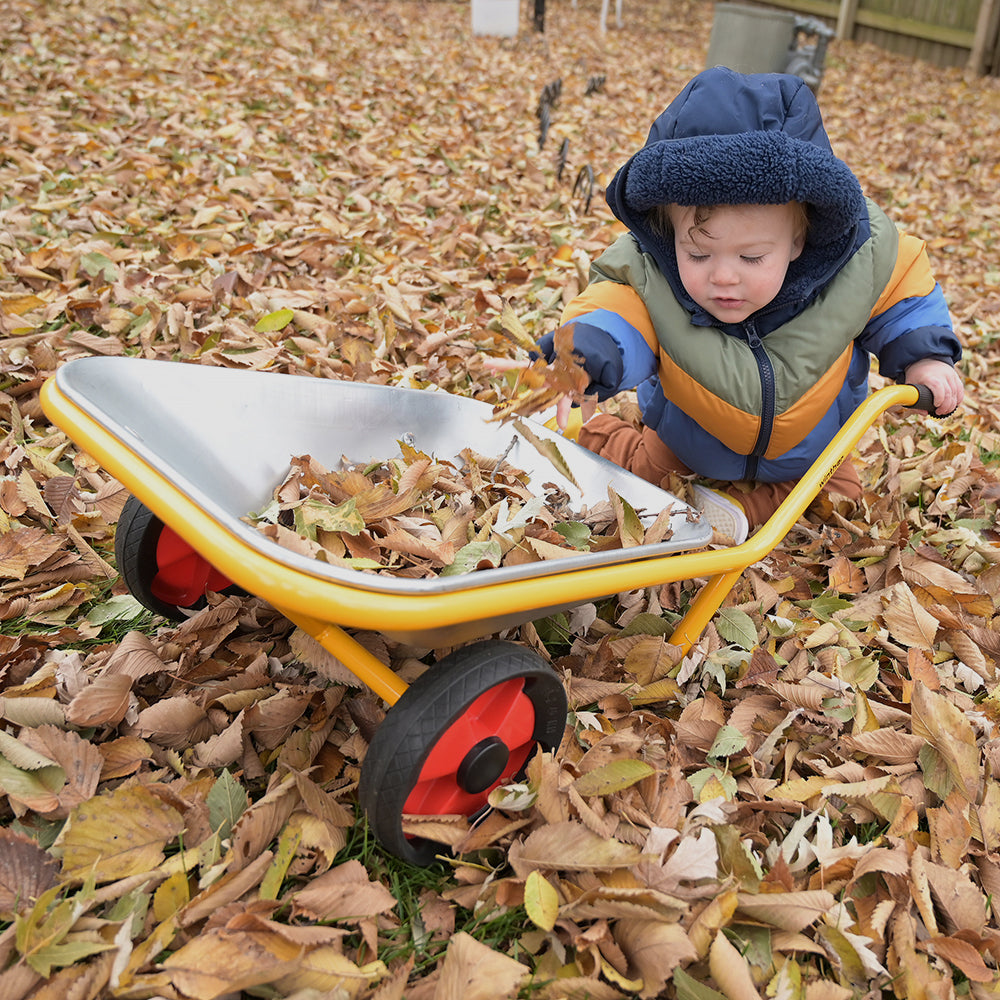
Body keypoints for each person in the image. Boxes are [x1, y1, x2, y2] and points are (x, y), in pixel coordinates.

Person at [532, 67, 964, 543]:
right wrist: (588, 353)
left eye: (752, 256)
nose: (723, 276)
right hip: (687, 445)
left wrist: (926, 357)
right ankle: (594, 435)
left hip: (810, 448)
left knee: (842, 503)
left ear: (800, 239)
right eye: (698, 253)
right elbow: (619, 314)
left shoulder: (856, 265)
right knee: (648, 475)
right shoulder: (652, 275)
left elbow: (901, 294)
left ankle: (736, 507)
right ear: (668, 233)